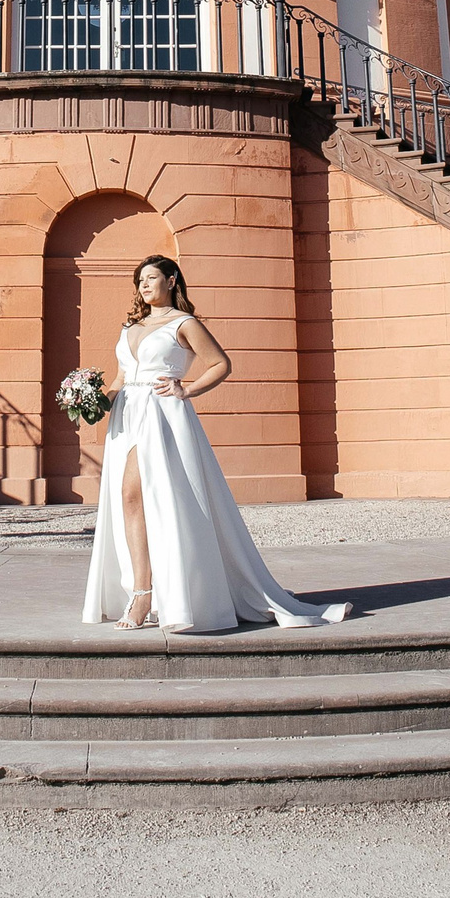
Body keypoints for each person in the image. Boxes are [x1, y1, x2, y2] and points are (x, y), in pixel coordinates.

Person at [82, 256, 352, 631]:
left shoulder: (184, 324)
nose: (143, 285)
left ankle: (149, 595)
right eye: (140, 280)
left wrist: (186, 388)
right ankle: (143, 589)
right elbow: (120, 377)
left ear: (172, 280)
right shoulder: (132, 326)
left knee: (147, 496)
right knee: (129, 500)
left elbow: (221, 364)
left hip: (162, 415)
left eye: (152, 278)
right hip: (127, 415)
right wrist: (95, 401)